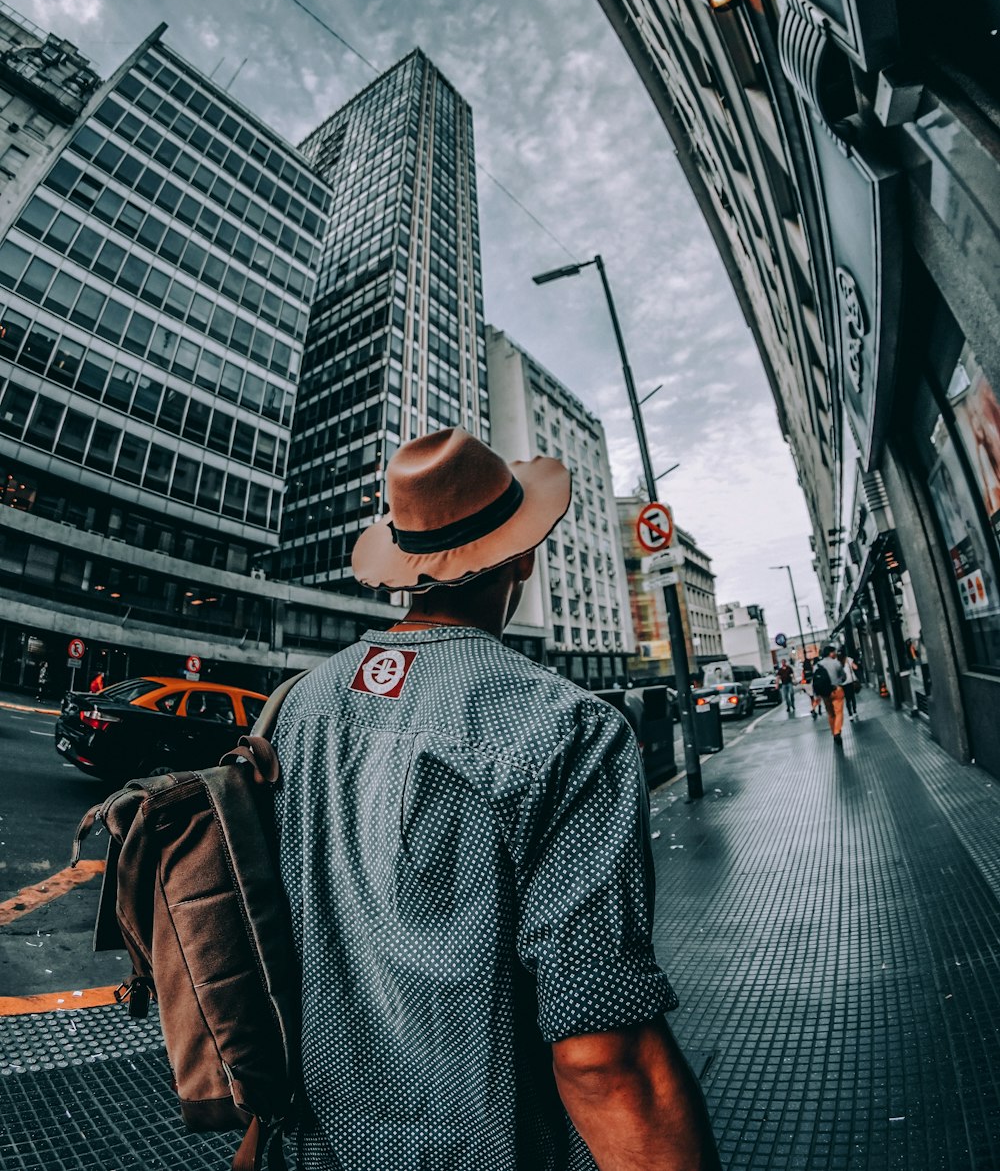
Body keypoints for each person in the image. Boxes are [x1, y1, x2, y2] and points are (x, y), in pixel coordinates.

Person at [274, 428, 720, 1171]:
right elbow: (603, 1056)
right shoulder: (568, 727)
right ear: (523, 554)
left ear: (406, 566)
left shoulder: (302, 705)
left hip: (319, 1146)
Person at [816, 645, 848, 746]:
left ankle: (833, 731)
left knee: (830, 713)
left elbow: (815, 680)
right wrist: (840, 680)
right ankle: (837, 732)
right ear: (830, 653)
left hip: (825, 693)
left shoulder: (818, 665)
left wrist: (817, 694)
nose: (835, 654)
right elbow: (843, 676)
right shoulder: (836, 663)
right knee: (838, 712)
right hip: (836, 690)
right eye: (834, 652)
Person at [839, 651, 859, 721]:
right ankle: (854, 712)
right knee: (852, 697)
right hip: (850, 681)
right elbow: (855, 667)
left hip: (843, 683)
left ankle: (850, 715)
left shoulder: (837, 661)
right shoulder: (848, 659)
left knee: (847, 699)